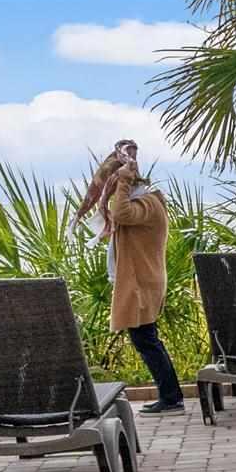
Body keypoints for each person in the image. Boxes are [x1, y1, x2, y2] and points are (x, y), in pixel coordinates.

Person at [76, 140, 185, 413]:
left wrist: (123, 179)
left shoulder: (146, 204)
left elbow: (121, 213)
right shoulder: (145, 202)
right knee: (147, 339)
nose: (111, 194)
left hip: (141, 283)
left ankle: (171, 398)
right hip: (140, 281)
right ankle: (171, 396)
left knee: (146, 340)